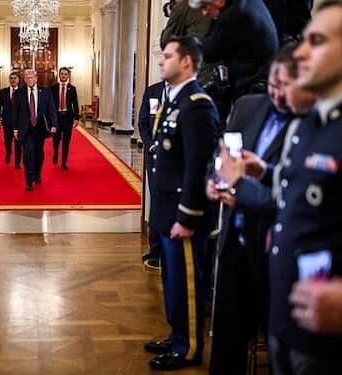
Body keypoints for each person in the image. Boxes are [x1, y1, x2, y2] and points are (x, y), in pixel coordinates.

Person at [215, 2, 342, 373]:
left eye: (315, 42)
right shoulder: (312, 124)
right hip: (287, 317)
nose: (300, 52)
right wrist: (266, 172)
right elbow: (300, 192)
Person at [206, 46, 294, 375]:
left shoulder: (310, 124)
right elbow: (222, 159)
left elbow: (289, 196)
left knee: (277, 351)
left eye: (287, 86)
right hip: (234, 246)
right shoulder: (248, 106)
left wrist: (240, 189)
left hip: (273, 253)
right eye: (274, 84)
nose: (278, 94)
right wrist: (213, 182)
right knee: (227, 346)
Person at [143, 36, 219, 371]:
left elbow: (199, 167)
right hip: (167, 211)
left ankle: (188, 348)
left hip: (184, 215)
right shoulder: (175, 101)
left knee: (187, 282)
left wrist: (187, 216)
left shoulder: (197, 104)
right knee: (171, 280)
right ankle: (176, 334)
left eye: (168, 56)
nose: (162, 61)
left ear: (187, 61)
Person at [188, 0, 278, 101]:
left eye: (205, 6)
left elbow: (209, 52)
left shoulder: (233, 16)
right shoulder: (243, 4)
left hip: (251, 87)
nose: (204, 13)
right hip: (263, 77)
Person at [137, 80, 169, 269]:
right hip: (154, 156)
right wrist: (151, 144)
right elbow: (143, 123)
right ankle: (155, 249)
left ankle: (170, 248)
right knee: (157, 201)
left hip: (177, 158)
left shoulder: (186, 93)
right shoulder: (153, 91)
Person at [12, 69, 58, 191]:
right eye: (27, 77)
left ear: (36, 78)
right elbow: (15, 112)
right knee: (28, 154)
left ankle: (37, 174)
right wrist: (15, 129)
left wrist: (54, 124)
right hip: (25, 128)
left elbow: (51, 109)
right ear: (24, 79)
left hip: (40, 127)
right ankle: (29, 180)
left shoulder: (45, 92)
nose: (30, 79)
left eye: (32, 77)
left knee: (39, 153)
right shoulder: (19, 93)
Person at [160, 0, 214, 84]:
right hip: (223, 72)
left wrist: (172, 15)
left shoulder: (183, 7)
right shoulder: (216, 4)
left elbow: (166, 42)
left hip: (199, 73)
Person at [50, 67, 80, 170]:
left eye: (65, 74)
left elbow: (75, 104)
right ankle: (55, 152)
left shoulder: (72, 88)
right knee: (56, 139)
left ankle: (64, 162)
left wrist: (77, 118)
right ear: (59, 75)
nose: (63, 76)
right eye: (62, 74)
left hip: (68, 117)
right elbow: (50, 104)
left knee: (66, 141)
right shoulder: (53, 88)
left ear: (68, 76)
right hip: (56, 118)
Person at [0, 71, 22, 168]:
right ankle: (8, 153)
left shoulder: (23, 92)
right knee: (7, 140)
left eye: (15, 78)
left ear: (18, 80)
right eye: (11, 78)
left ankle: (17, 162)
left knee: (18, 142)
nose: (13, 80)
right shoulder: (3, 92)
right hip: (7, 121)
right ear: (9, 80)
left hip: (19, 122)